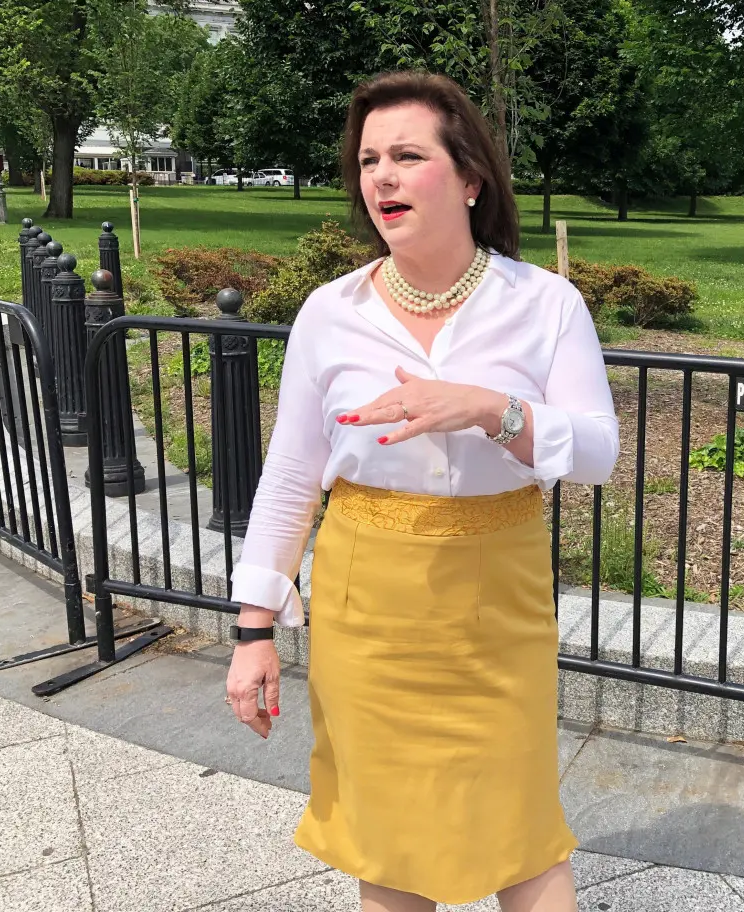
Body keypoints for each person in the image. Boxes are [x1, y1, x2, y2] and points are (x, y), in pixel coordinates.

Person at [224, 70, 620, 912]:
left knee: (522, 831)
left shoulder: (545, 304)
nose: (382, 177)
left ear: (470, 178)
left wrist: (488, 408)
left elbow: (596, 451)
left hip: (497, 596)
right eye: (369, 160)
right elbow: (292, 474)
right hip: (369, 602)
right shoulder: (330, 314)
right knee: (393, 845)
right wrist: (253, 628)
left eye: (407, 155)